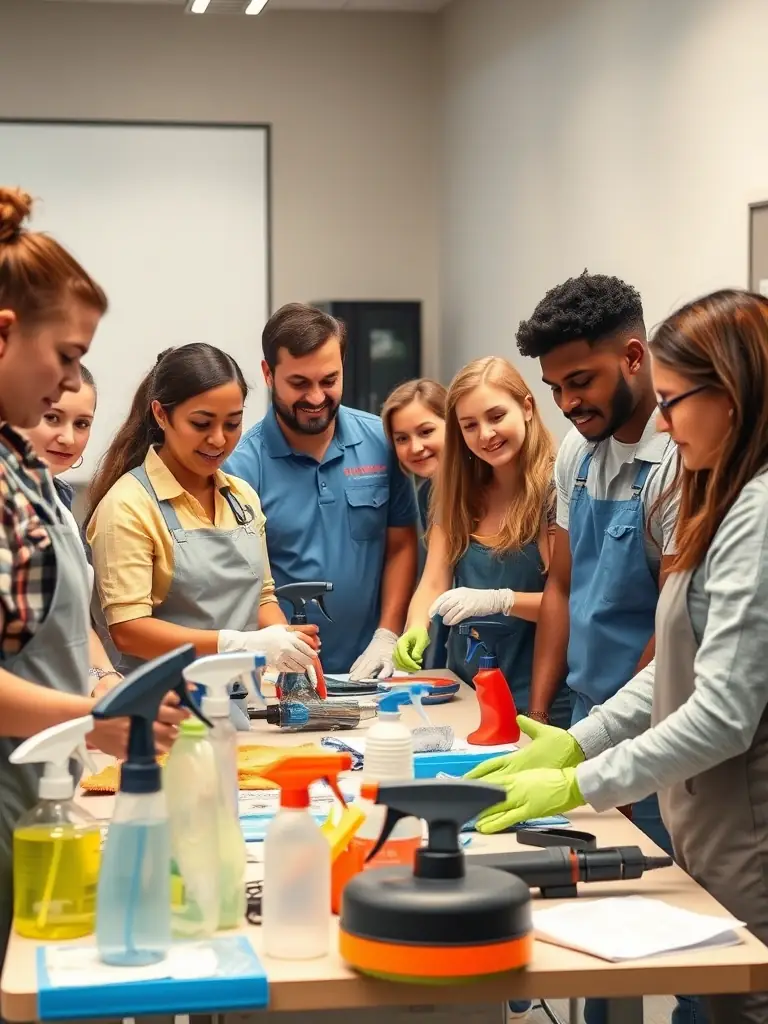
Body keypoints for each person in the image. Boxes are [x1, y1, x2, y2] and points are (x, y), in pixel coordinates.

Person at [470, 288, 768, 1024]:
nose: (662, 423)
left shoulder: (758, 516)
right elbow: (677, 671)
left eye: (673, 402)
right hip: (699, 816)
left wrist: (581, 782)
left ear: (731, 395)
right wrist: (578, 739)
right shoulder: (720, 496)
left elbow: (722, 714)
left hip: (746, 838)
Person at [507, 271, 701, 1024]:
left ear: (632, 355)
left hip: (658, 725)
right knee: (596, 934)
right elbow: (562, 588)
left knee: (680, 938)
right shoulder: (575, 456)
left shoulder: (680, 466)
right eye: (554, 388)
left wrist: (601, 738)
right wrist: (544, 717)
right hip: (585, 714)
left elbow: (673, 629)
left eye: (579, 381)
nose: (568, 403)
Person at [0, 186, 184, 962]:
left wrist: (104, 692)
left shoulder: (21, 469)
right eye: (66, 356)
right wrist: (88, 716)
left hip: (38, 796)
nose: (71, 382)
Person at [86, 343, 318, 676]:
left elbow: (262, 595)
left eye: (232, 424)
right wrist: (239, 644)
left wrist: (284, 645)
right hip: (162, 707)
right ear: (161, 414)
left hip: (240, 699)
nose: (218, 440)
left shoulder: (242, 498)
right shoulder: (128, 506)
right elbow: (129, 631)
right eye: (201, 424)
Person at [226, 303, 419, 678]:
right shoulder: (240, 467)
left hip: (373, 670)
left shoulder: (381, 441)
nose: (316, 398)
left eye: (329, 380)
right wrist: (281, 649)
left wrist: (387, 635)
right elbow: (242, 581)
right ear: (268, 374)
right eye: (299, 383)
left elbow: (401, 545)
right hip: (279, 676)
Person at [392, 357, 571, 728]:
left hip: (536, 701)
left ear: (526, 407)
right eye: (470, 425)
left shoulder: (555, 489)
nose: (485, 434)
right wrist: (416, 627)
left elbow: (567, 602)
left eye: (495, 416)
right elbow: (434, 579)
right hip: (464, 692)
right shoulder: (455, 491)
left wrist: (499, 600)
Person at [22, 364, 124, 697]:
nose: (68, 437)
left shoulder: (60, 500)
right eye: (52, 418)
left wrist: (105, 676)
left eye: (82, 424)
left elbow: (74, 620)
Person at [381, 377, 447, 533]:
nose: (415, 448)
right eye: (402, 439)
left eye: (426, 432)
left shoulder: (489, 485)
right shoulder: (426, 495)